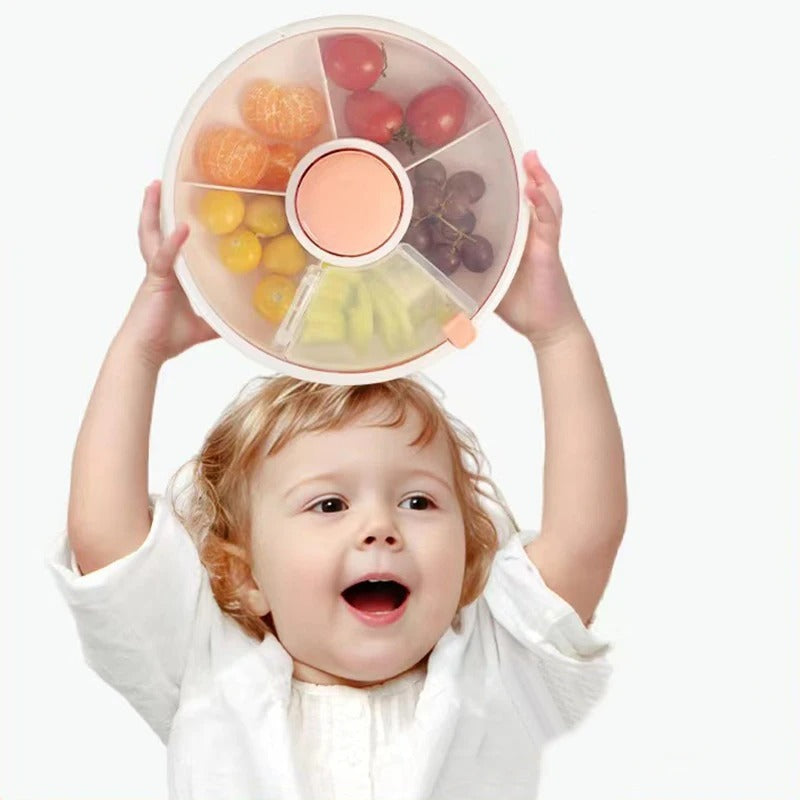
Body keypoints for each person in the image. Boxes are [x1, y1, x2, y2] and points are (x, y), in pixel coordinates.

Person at [48, 151, 627, 799]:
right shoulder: (206, 665)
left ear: (468, 554)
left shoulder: (497, 669)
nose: (380, 527)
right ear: (243, 576)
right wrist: (141, 349)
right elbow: (104, 538)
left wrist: (557, 334)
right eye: (329, 505)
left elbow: (585, 539)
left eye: (418, 501)